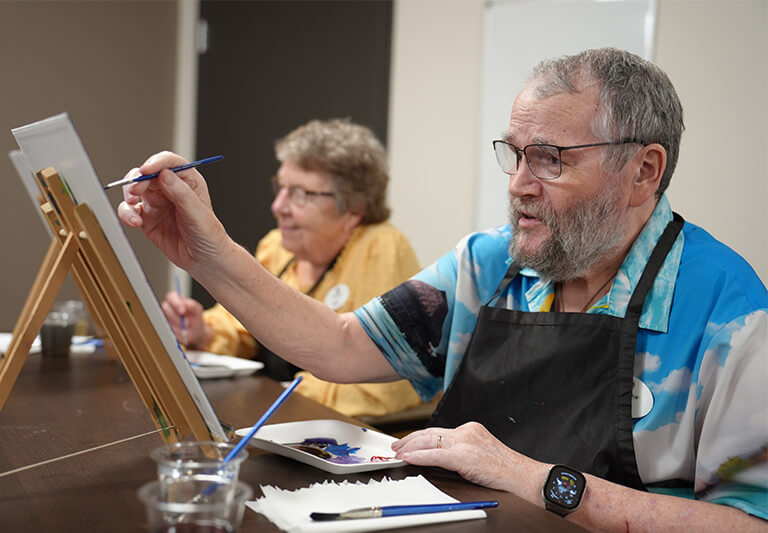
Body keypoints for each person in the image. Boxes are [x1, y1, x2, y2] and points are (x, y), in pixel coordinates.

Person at [119, 48, 767, 531]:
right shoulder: (489, 264)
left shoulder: (729, 313)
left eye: (551, 158)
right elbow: (343, 345)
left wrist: (535, 477)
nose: (518, 184)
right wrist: (210, 254)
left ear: (642, 171)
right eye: (514, 154)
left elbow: (750, 523)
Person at [161, 119, 424, 418]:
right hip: (284, 425)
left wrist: (270, 395)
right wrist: (205, 332)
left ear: (353, 209)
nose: (278, 206)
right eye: (281, 188)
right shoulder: (278, 247)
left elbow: (378, 386)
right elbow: (243, 325)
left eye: (300, 194)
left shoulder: (381, 247)